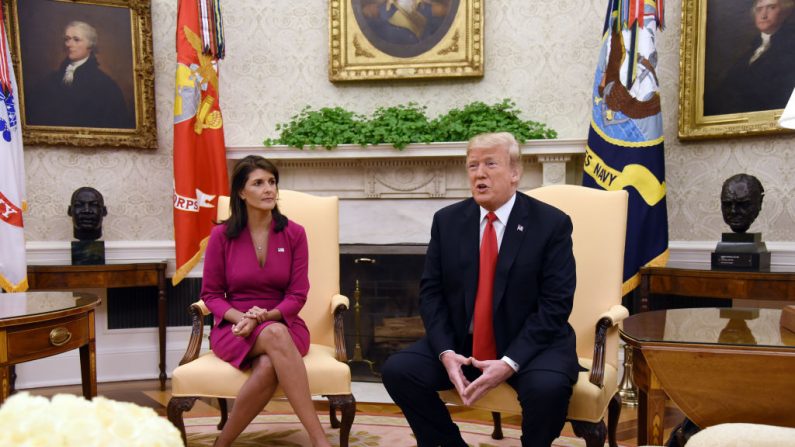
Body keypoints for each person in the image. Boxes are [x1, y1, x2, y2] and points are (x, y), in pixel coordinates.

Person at [382, 132, 579, 447]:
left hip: (531, 345)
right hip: (465, 342)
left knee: (548, 389)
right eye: (472, 166)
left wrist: (509, 362)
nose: (479, 173)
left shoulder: (550, 224)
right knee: (399, 370)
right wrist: (446, 353)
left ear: (515, 173)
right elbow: (430, 294)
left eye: (490, 164)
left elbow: (555, 304)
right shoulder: (448, 221)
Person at [201, 155, 331, 447]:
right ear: (241, 192)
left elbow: (298, 294)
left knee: (270, 355)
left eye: (272, 182)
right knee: (273, 337)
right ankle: (320, 440)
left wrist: (264, 316)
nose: (268, 189)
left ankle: (222, 444)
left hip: (283, 322)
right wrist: (242, 318)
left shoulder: (294, 233)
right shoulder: (221, 236)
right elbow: (210, 295)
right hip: (233, 327)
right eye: (258, 183)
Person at [25, 21, 134, 129]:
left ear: (90, 45)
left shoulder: (106, 86)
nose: (69, 44)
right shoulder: (51, 79)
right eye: (67, 39)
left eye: (76, 40)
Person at [705, 0, 795, 115]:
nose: (763, 15)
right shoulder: (753, 48)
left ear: (785, 11)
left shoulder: (790, 46)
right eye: (759, 9)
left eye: (771, 8)